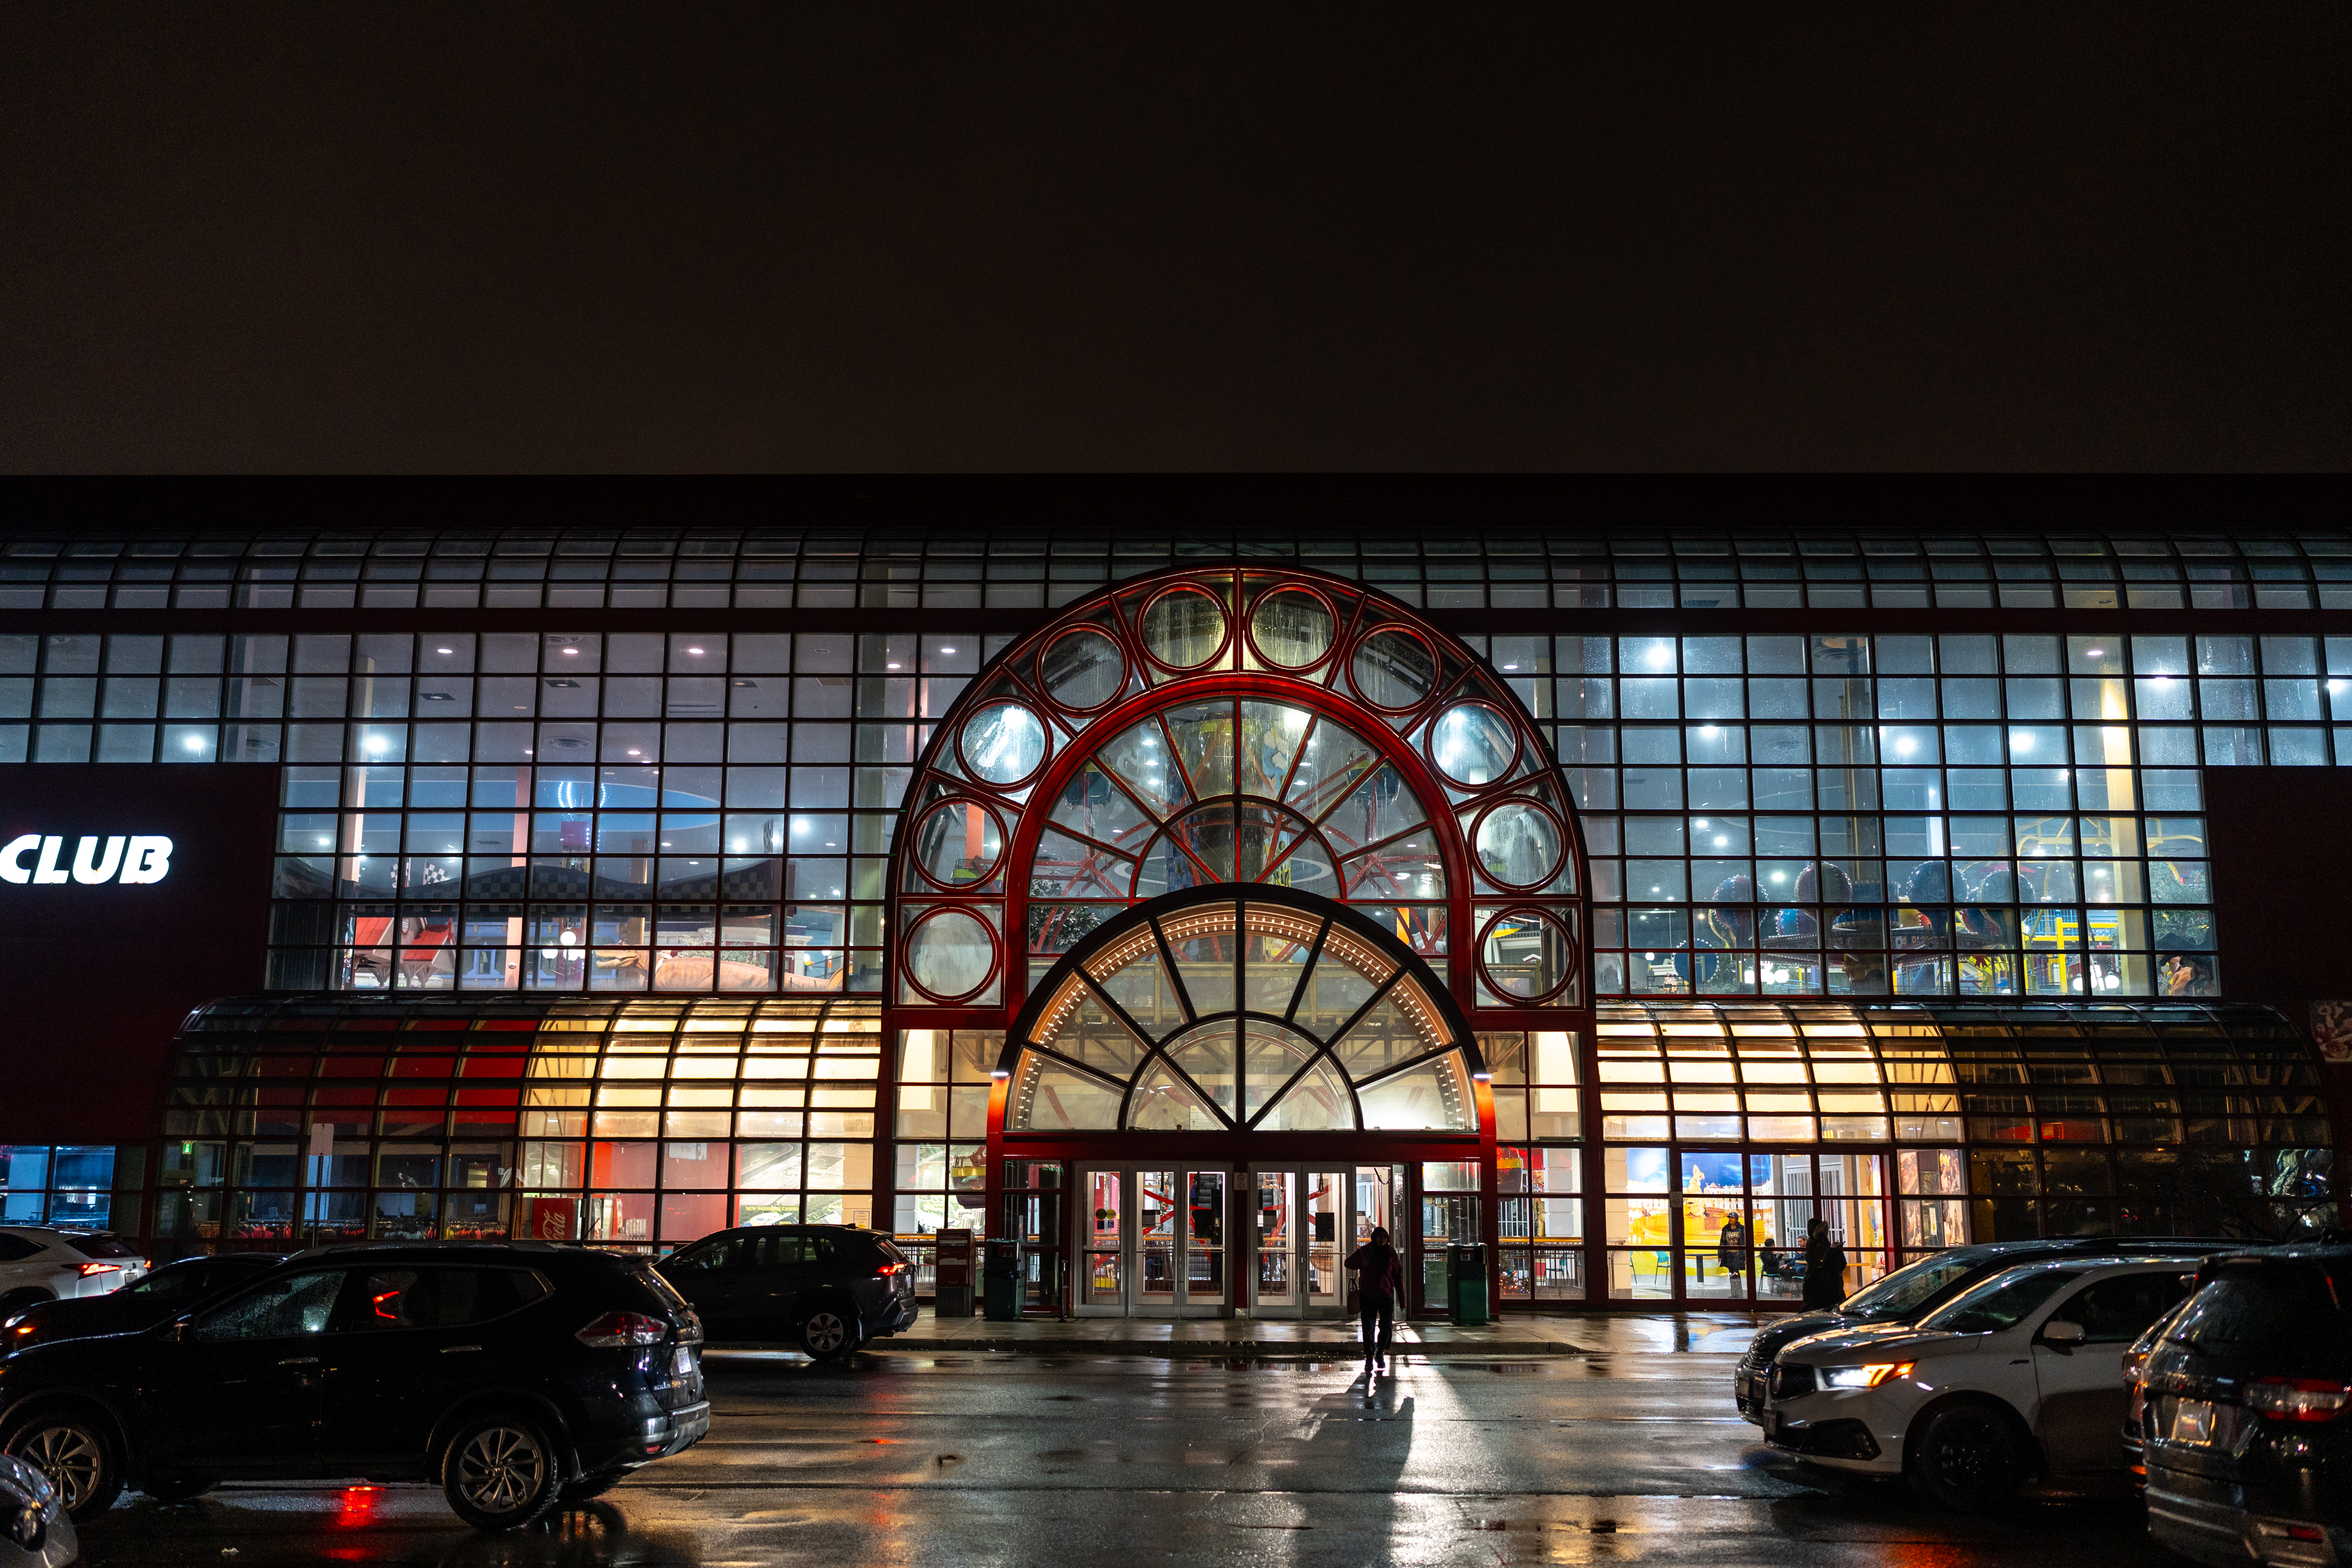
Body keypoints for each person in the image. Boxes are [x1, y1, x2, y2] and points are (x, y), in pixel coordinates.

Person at [1345, 1226, 1405, 1372]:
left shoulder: (1391, 1253)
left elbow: (1397, 1276)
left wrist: (1402, 1299)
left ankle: (1380, 1353)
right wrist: (1361, 1264)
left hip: (1386, 1296)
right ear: (1374, 1238)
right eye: (1380, 1237)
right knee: (1368, 1329)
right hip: (1368, 1296)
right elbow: (1348, 1263)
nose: (1383, 1239)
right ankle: (1369, 1358)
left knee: (1386, 1327)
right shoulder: (1365, 1251)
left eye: (1385, 1237)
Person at [1800, 1217, 1847, 1309]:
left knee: (1811, 1296)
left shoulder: (1813, 1241)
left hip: (1814, 1271)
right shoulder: (1819, 1240)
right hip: (1819, 1271)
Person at [1716, 1215, 1749, 1281]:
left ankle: (1737, 1288)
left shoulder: (1742, 1228)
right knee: (1731, 1271)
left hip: (1738, 1253)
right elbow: (1722, 1242)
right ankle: (1735, 1289)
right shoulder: (1726, 1228)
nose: (1730, 1219)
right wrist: (1720, 1255)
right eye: (1729, 1218)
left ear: (1736, 1219)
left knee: (1735, 1269)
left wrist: (1745, 1256)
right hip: (1728, 1254)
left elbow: (1745, 1242)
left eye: (1732, 1218)